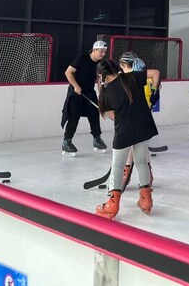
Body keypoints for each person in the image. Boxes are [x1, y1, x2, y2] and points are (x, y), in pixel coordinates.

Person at [94, 59, 160, 219]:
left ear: (101, 75)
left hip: (124, 132)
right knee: (142, 162)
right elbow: (155, 73)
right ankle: (146, 200)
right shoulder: (131, 77)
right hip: (144, 127)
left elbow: (112, 116)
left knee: (117, 165)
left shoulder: (106, 92)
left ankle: (112, 205)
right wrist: (154, 93)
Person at [118, 52, 161, 190]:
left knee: (133, 146)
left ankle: (127, 171)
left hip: (134, 116)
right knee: (139, 149)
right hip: (144, 116)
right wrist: (156, 92)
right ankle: (146, 175)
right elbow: (157, 83)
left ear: (124, 65)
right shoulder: (143, 75)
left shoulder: (129, 77)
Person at [61, 40, 108, 156]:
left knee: (94, 115)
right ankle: (67, 142)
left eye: (104, 52)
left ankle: (97, 139)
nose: (103, 54)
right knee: (73, 118)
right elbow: (68, 72)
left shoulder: (100, 64)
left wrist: (101, 95)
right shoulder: (81, 59)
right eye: (101, 51)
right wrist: (76, 86)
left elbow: (99, 80)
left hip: (89, 93)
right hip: (76, 93)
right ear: (94, 50)